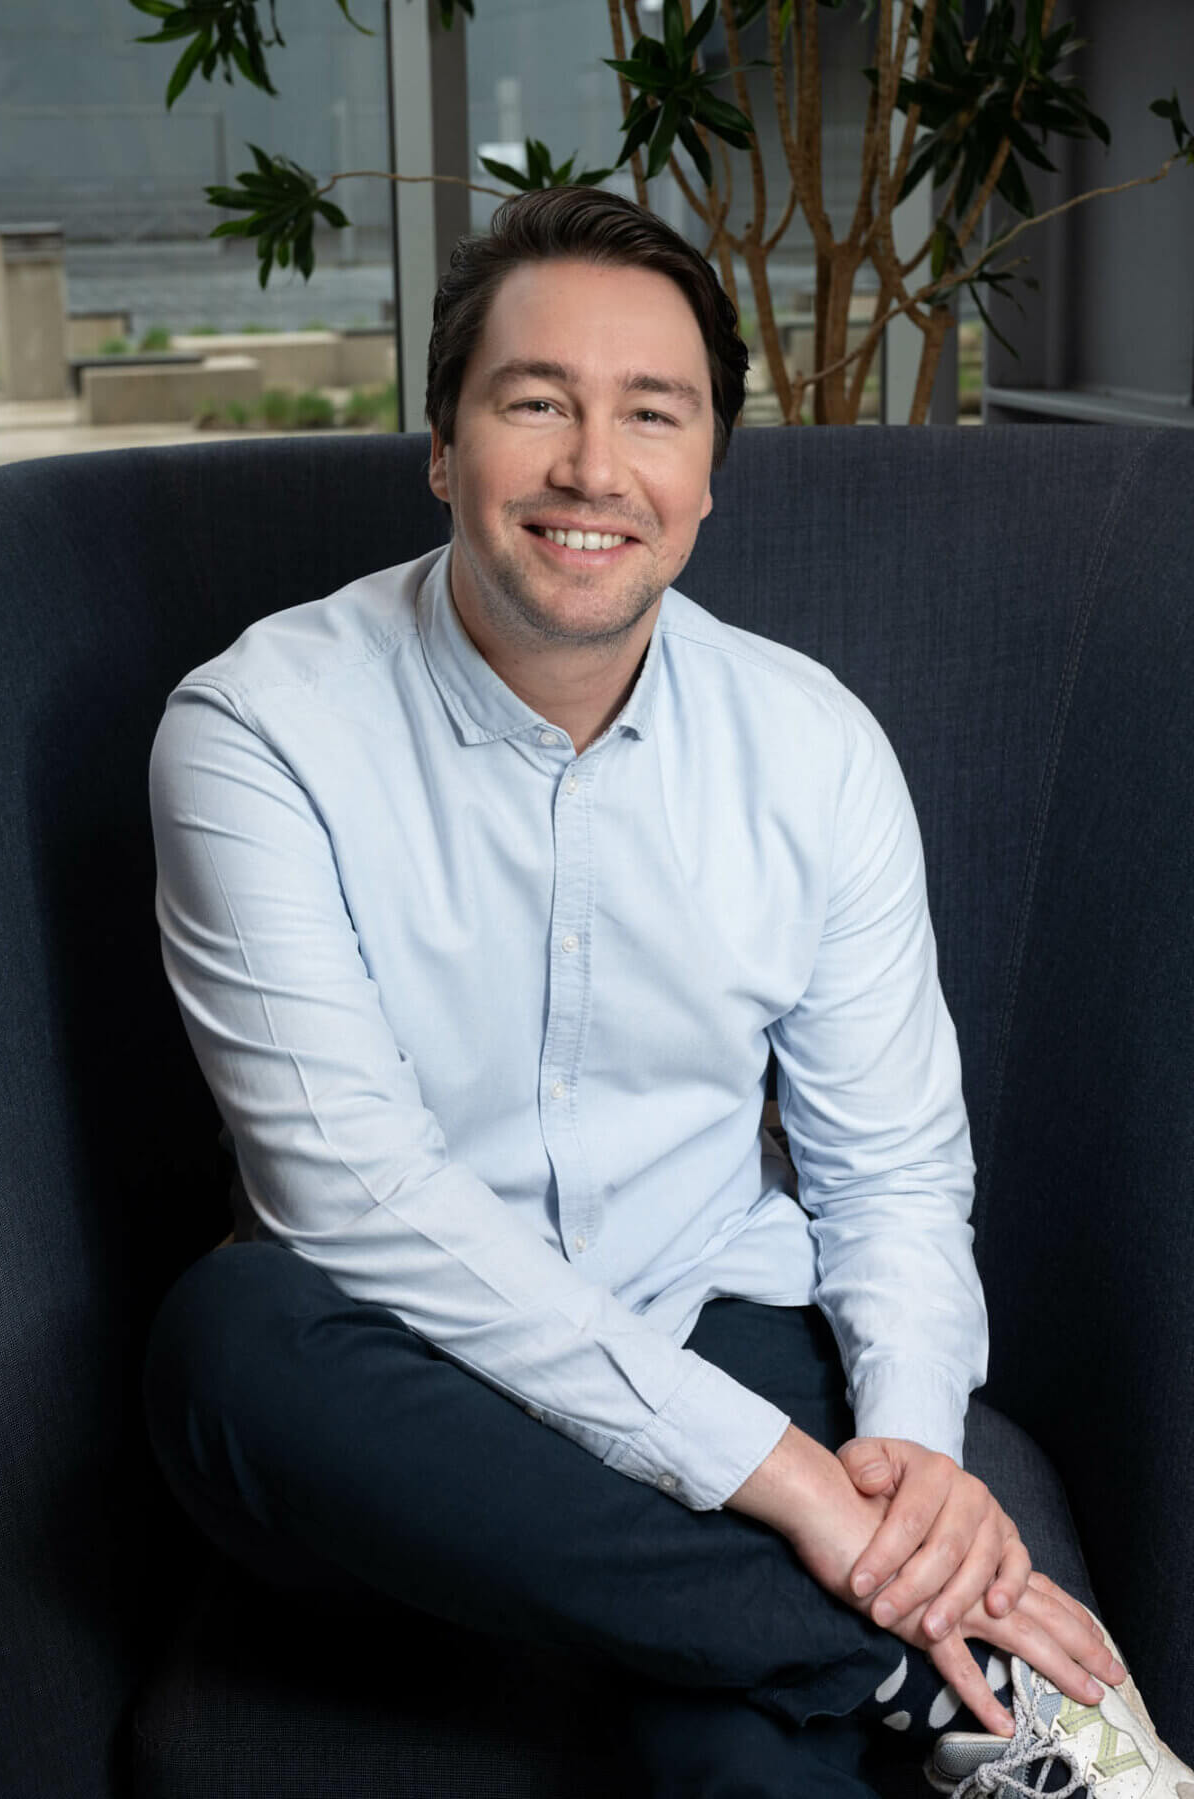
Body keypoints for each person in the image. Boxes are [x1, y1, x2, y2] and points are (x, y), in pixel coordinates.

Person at [144, 186, 1190, 1798]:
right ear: (444, 448)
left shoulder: (810, 744)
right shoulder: (257, 731)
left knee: (734, 1754)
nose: (593, 467)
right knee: (227, 1346)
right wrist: (798, 1494)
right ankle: (941, 1679)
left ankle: (790, 1643)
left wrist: (906, 1458)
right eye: (534, 403)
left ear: (707, 472)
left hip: (717, 1316)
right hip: (402, 1407)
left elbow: (890, 1172)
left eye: (653, 412)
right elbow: (351, 1192)